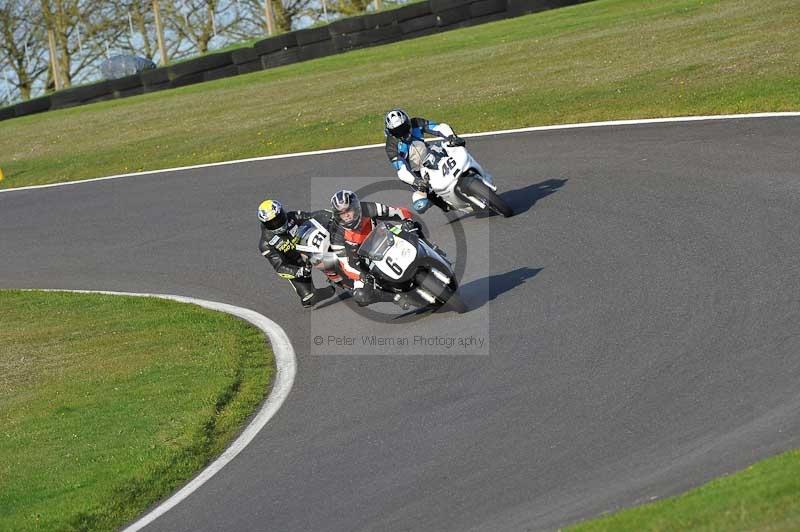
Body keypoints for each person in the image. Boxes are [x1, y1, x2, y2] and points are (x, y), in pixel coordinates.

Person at [329, 189, 421, 309]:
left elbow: (396, 212)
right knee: (361, 296)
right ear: (337, 215)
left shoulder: (368, 208)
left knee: (413, 228)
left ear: (356, 208)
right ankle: (396, 297)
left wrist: (408, 221)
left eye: (348, 211)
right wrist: (361, 275)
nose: (346, 216)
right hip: (363, 262)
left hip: (386, 239)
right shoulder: (336, 235)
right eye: (342, 213)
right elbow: (345, 265)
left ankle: (431, 249)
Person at [384, 108, 466, 214]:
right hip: (418, 174)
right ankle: (446, 202)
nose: (402, 132)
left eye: (403, 127)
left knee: (454, 148)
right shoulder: (391, 146)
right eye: (396, 131)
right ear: (390, 132)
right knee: (427, 204)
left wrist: (451, 137)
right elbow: (401, 169)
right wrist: (416, 181)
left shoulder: (416, 123)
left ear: (408, 122)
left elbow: (438, 128)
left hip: (433, 155)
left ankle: (471, 172)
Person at [257, 199, 336, 308]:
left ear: (283, 213)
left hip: (309, 247)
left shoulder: (293, 216)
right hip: (295, 263)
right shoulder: (266, 244)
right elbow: (280, 267)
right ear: (265, 224)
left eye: (278, 219)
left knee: (329, 241)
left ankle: (339, 267)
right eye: (271, 223)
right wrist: (300, 271)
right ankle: (326, 289)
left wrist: (331, 215)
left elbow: (313, 216)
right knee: (308, 299)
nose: (276, 224)